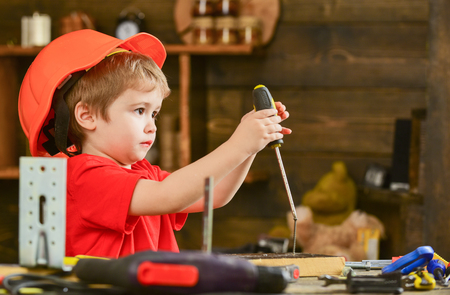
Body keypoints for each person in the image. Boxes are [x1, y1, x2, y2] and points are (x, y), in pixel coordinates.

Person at [18, 29, 291, 258]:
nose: (152, 125)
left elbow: (215, 194)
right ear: (87, 116)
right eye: (139, 110)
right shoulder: (84, 177)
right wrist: (240, 142)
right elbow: (170, 195)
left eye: (154, 113)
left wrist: (254, 141)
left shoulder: (142, 172)